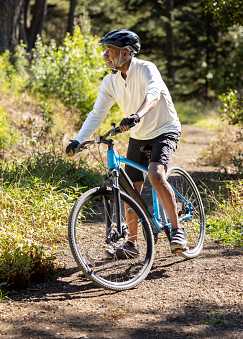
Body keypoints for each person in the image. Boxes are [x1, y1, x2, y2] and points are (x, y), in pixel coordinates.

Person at [66, 29, 186, 259]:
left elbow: (154, 94)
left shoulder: (146, 68)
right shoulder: (110, 81)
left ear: (126, 52)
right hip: (139, 134)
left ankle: (177, 229)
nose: (105, 55)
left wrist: (137, 115)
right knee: (130, 188)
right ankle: (132, 244)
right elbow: (96, 113)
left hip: (165, 129)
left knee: (156, 174)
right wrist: (78, 139)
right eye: (105, 50)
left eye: (110, 50)